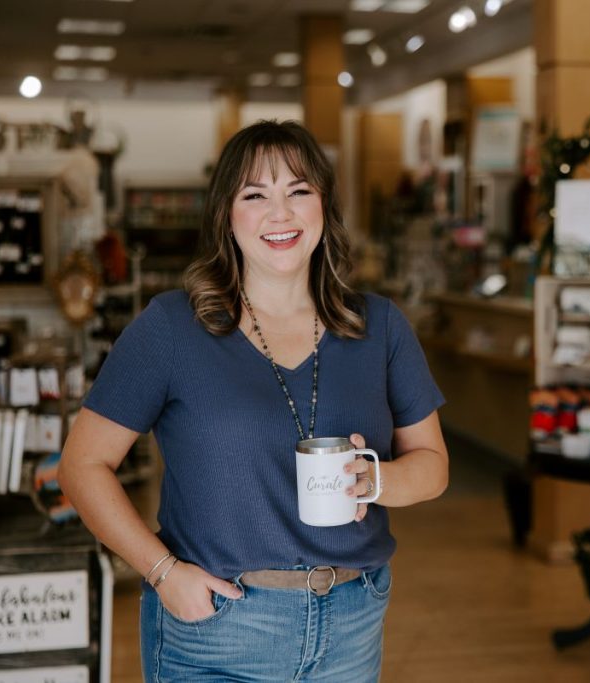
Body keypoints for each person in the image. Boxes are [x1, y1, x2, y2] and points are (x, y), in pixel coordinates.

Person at [59, 119, 449, 682]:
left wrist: (374, 479)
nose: (280, 213)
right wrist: (163, 572)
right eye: (255, 195)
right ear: (226, 215)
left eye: (298, 191)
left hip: (352, 622)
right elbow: (82, 465)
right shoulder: (172, 327)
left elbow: (433, 468)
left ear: (324, 205)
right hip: (217, 628)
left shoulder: (379, 327)